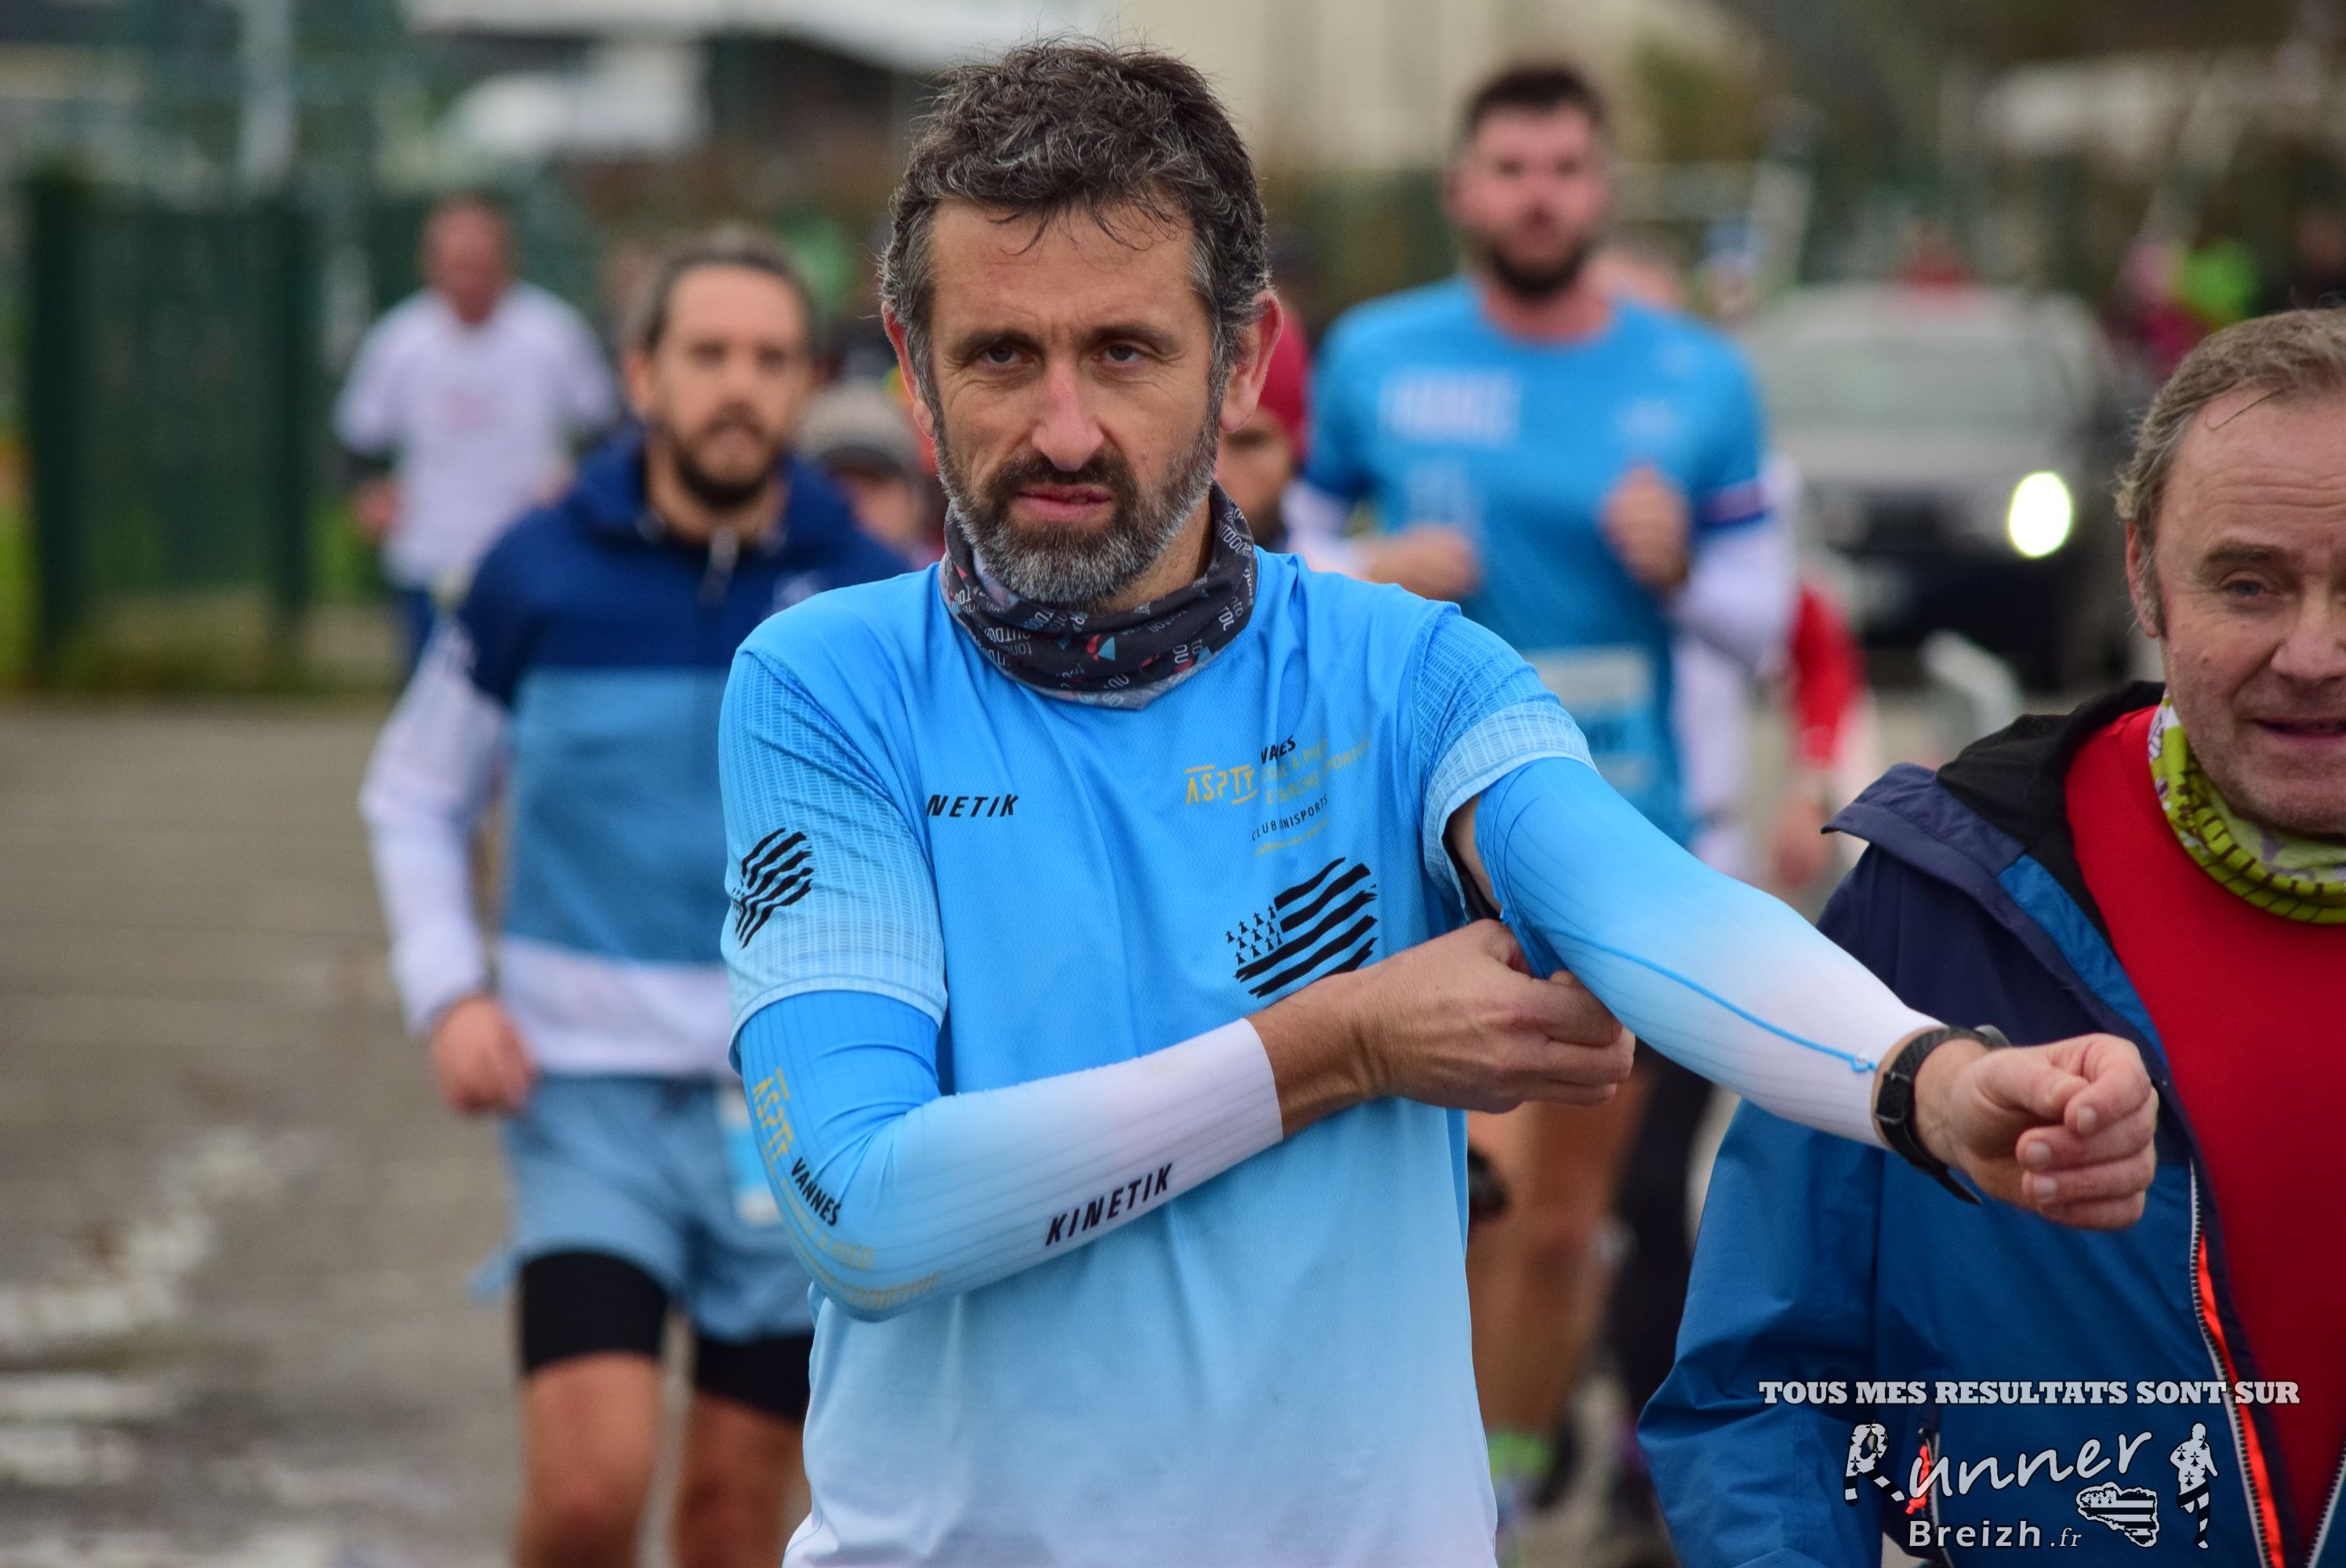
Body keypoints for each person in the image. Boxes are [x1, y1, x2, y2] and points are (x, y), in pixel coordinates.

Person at [714, 41, 2155, 1568]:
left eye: (1124, 352)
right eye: (1002, 356)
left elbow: (1642, 901)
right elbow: (866, 1212)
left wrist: (1925, 1082)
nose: (1064, 430)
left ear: (1241, 357)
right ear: (909, 363)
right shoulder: (825, 685)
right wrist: (1342, 1041)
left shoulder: (1407, 674)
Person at [1643, 310, 2346, 1568]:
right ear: (2142, 575)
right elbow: (1763, 1394)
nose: (2314, 653)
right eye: (2248, 584)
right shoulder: (1947, 896)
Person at [1288, 63, 1798, 1537]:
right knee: (1473, 1194)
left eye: (1564, 170)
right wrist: (1374, 569)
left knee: (1570, 1220)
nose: (1537, 196)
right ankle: (1416, 1487)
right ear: (1462, 190)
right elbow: (1278, 564)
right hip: (1427, 851)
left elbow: (1771, 620)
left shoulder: (1698, 377)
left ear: (1603, 191)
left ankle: (1500, 1500)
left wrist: (1684, 570)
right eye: (1510, 169)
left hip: (1619, 834)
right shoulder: (1377, 356)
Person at [359, 229, 903, 1568]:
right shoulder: (534, 572)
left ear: (808, 383)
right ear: (642, 375)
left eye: (770, 359)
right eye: (707, 354)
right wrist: (449, 993)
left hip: (795, 1110)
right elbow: (415, 792)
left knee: (731, 1520)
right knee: (591, 1496)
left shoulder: (873, 599)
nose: (738, 386)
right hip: (581, 1097)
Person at [335, 194, 621, 675]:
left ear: (506, 260)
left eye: (479, 262)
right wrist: (368, 494)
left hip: (530, 552)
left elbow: (606, 429)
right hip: (429, 556)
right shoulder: (399, 342)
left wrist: (578, 483)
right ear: (430, 264)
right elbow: (355, 442)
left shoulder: (552, 334)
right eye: (456, 263)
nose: (467, 276)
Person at [798, 379, 943, 564]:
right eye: (835, 485)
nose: (854, 503)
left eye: (874, 483)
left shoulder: (955, 579)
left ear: (916, 499)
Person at [1214, 304, 1313, 548]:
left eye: (1247, 443)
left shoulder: (1336, 570)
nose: (1216, 474)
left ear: (1298, 448)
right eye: (1191, 443)